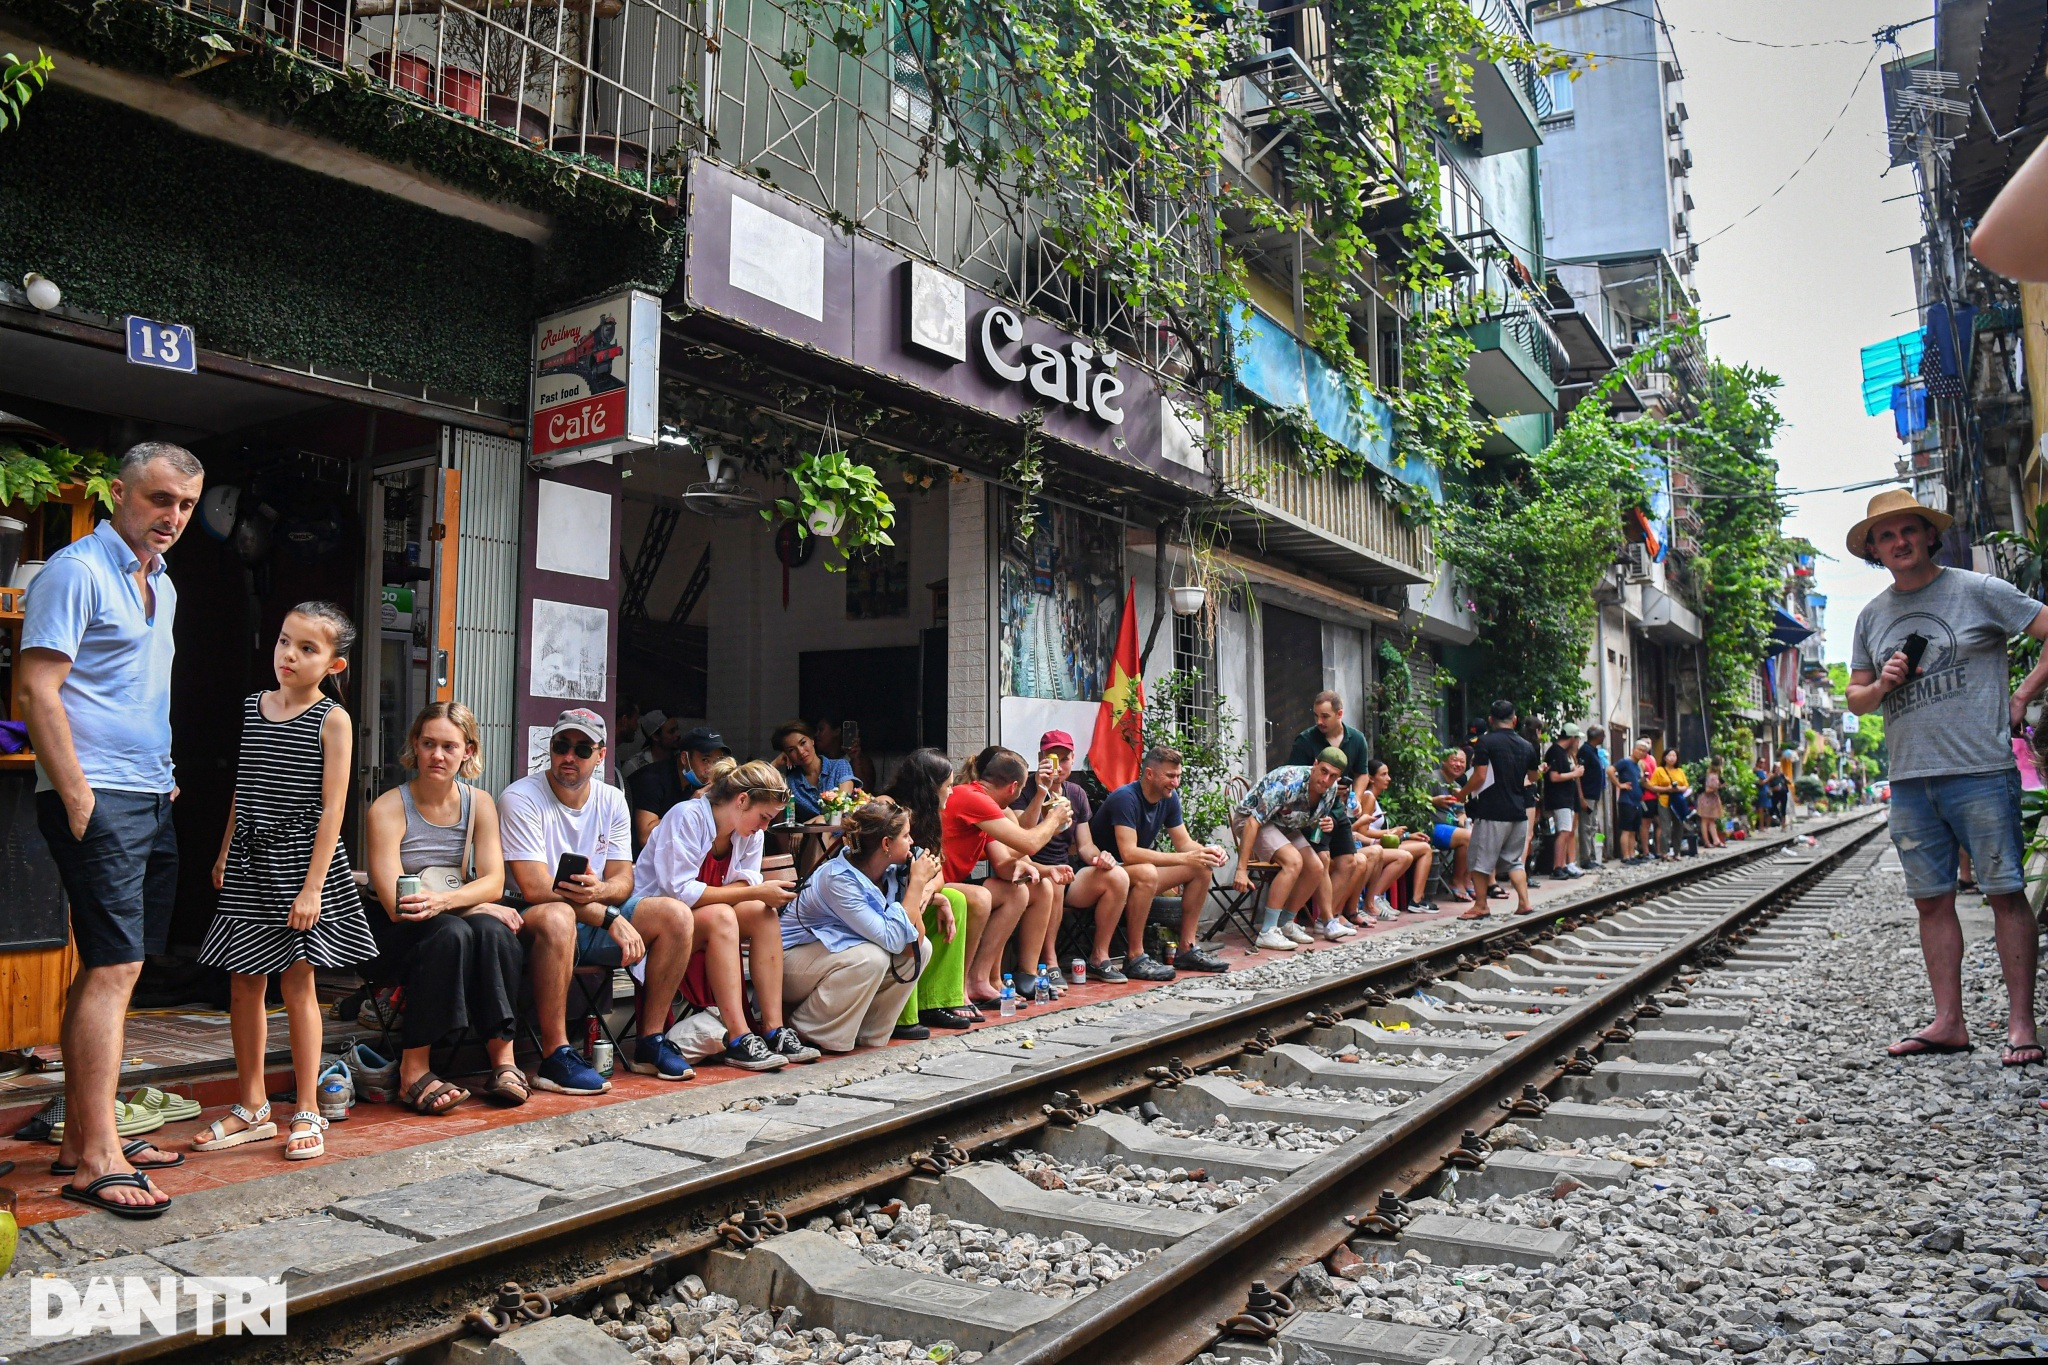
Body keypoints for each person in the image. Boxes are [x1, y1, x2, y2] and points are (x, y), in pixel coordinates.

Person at [22, 442, 204, 1218]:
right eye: (159, 498)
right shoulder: (77, 568)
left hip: (146, 794)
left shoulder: (160, 583)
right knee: (114, 968)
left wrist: (160, 774)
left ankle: (80, 1133)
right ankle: (98, 1156)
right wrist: (77, 795)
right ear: (119, 494)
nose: (172, 517)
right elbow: (34, 686)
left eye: (186, 506)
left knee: (112, 964)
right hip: (99, 798)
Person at [1844, 489, 2048, 1066]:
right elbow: (1856, 700)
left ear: (1930, 536)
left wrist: (2023, 694)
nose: (1899, 542)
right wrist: (1882, 685)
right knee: (1931, 903)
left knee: (2005, 893)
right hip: (1911, 779)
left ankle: (2021, 1027)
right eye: (1886, 536)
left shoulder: (1977, 590)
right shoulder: (1872, 615)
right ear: (1876, 551)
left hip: (1980, 770)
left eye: (1909, 531)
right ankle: (1948, 1022)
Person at [191, 603, 379, 1162]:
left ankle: (305, 1108)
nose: (289, 656)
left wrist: (313, 887)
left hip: (302, 863)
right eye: (283, 642)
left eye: (307, 649)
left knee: (299, 985)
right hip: (250, 858)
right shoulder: (254, 707)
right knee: (243, 982)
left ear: (335, 665)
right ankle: (252, 1107)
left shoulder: (332, 720)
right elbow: (244, 786)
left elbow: (333, 809)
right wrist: (225, 850)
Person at [502, 709, 702, 1091]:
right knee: (559, 914)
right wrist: (608, 915)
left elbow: (623, 879)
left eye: (582, 748)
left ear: (601, 754)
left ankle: (650, 1041)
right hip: (533, 920)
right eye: (561, 746)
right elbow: (534, 888)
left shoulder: (612, 798)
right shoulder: (520, 797)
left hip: (590, 915)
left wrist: (601, 893)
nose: (569, 757)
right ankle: (555, 1055)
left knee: (676, 915)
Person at [363, 703, 527, 1114]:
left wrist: (455, 904)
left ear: (468, 751)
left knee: (494, 932)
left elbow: (493, 880)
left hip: (449, 918)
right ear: (415, 747)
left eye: (449, 746)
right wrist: (468, 907)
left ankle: (502, 1062)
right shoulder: (387, 808)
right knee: (457, 931)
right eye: (429, 744)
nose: (438, 756)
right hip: (394, 932)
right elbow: (396, 904)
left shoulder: (480, 804)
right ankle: (413, 1071)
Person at [636, 760, 820, 1069]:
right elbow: (680, 892)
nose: (765, 827)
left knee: (762, 913)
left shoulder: (749, 831)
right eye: (763, 817)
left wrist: (753, 893)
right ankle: (738, 1037)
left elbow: (744, 882)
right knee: (723, 914)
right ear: (742, 799)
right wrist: (750, 891)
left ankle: (774, 1029)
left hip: (701, 918)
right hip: (660, 924)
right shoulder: (687, 817)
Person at [780, 798, 941, 1050]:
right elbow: (894, 940)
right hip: (788, 963)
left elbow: (912, 947)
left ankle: (868, 1033)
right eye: (907, 836)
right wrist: (917, 884)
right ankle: (808, 1029)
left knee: (923, 949)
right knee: (871, 957)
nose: (912, 843)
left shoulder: (887, 871)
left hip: (829, 956)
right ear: (886, 844)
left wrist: (921, 887)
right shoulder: (838, 880)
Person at [943, 747, 1071, 1004]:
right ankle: (964, 983)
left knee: (1019, 889)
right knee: (985, 894)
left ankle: (981, 980)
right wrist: (1054, 819)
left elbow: (1002, 863)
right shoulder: (972, 797)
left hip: (953, 884)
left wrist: (1029, 868)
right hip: (937, 884)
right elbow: (1029, 842)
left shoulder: (986, 804)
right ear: (1014, 788)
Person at [1008, 732, 1137, 982]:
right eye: (1052, 759)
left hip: (1067, 873)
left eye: (1065, 759)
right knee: (1053, 880)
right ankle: (1050, 962)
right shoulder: (1024, 791)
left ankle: (1100, 956)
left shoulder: (1076, 793)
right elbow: (1021, 837)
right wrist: (1042, 791)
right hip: (1033, 873)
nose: (1059, 766)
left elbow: (1086, 845)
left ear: (1073, 760)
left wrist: (1102, 858)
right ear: (1040, 758)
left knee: (1118, 876)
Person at [1093, 747, 1231, 974]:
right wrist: (1186, 856)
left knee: (1201, 867)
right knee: (1148, 871)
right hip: (1105, 873)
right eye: (1170, 776)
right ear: (1149, 774)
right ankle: (1135, 957)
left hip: (1134, 874)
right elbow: (1129, 853)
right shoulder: (1125, 798)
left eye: (1178, 776)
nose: (1175, 782)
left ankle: (1187, 948)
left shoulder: (1169, 798)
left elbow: (1184, 844)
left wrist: (1209, 852)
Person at [879, 748, 978, 1030]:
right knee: (910, 909)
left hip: (912, 886)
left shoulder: (930, 814)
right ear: (930, 788)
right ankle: (901, 1015)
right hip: (883, 891)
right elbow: (880, 868)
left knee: (955, 900)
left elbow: (938, 869)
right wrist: (917, 892)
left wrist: (926, 891)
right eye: (948, 786)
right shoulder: (888, 806)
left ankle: (935, 1002)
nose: (951, 792)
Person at [1230, 749, 1356, 950]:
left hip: (1284, 824)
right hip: (1250, 821)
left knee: (1315, 866)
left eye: (1333, 776)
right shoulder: (1288, 783)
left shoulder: (1331, 790)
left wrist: (1327, 823)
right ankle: (1268, 931)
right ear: (1315, 764)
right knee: (1294, 861)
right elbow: (1253, 822)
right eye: (1323, 771)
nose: (1325, 780)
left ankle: (1285, 923)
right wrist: (1241, 870)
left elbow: (1309, 821)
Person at [1452, 699, 1535, 918]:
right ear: (1515, 720)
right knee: (1515, 860)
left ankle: (1481, 906)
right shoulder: (1527, 746)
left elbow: (1479, 775)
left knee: (1480, 861)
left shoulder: (1485, 742)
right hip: (1519, 811)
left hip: (1492, 811)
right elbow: (1534, 776)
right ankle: (1524, 902)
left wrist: (1461, 794)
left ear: (1490, 720)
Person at [1355, 759, 1439, 916]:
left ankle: (1414, 900)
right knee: (1422, 849)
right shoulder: (1369, 797)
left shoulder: (1373, 797)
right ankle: (1377, 897)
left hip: (1381, 844)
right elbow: (1363, 831)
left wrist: (1406, 835)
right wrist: (1392, 831)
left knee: (1422, 845)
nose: (1388, 778)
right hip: (1370, 846)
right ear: (1371, 778)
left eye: (1388, 774)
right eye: (1384, 774)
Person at [628, 726, 728, 851]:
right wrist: (689, 807)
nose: (711, 769)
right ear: (684, 758)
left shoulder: (705, 783)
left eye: (717, 762)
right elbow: (645, 837)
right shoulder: (651, 779)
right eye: (705, 760)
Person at [773, 720, 856, 821]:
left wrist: (808, 825)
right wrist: (775, 764)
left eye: (803, 743)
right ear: (787, 755)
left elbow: (843, 806)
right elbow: (781, 823)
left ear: (812, 740)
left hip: (842, 834)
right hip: (810, 836)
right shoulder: (791, 783)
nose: (800, 752)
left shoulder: (839, 766)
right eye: (791, 750)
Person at [1427, 749, 1475, 901]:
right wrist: (1434, 801)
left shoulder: (1456, 786)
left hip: (1452, 828)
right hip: (1432, 827)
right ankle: (1456, 881)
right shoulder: (1432, 778)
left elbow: (1460, 813)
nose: (1458, 764)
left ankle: (1467, 880)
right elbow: (1414, 802)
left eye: (1462, 762)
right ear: (1444, 761)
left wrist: (1467, 823)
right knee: (1468, 836)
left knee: (1480, 833)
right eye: (1455, 760)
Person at [1541, 725, 1586, 880]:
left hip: (1565, 798)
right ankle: (1557, 867)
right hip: (1559, 798)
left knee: (1566, 831)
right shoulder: (1556, 752)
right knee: (1564, 831)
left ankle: (1563, 865)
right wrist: (1574, 773)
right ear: (1572, 738)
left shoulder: (1562, 753)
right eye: (1577, 738)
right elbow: (1554, 776)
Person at [1645, 748, 1690, 861]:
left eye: (1674, 756)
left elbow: (1686, 786)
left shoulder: (1680, 771)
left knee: (1678, 826)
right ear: (1665, 758)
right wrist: (1667, 788)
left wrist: (1678, 788)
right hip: (1664, 801)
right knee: (1666, 828)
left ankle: (1677, 852)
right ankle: (1664, 852)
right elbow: (1652, 786)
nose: (1672, 758)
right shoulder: (1659, 770)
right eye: (1669, 756)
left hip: (1677, 802)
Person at [816, 718, 878, 794]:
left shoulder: (859, 759)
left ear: (836, 731)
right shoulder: (818, 761)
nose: (816, 735)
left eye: (821, 730)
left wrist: (856, 760)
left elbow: (866, 792)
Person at [1612, 740, 1649, 863]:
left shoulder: (1638, 765)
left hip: (1637, 800)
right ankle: (1626, 856)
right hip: (1626, 800)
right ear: (1633, 749)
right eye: (1639, 749)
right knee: (1626, 829)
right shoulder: (1625, 762)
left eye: (1644, 751)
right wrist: (1619, 784)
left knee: (1634, 830)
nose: (1641, 752)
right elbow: (1610, 770)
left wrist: (1643, 780)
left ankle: (1632, 855)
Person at [1579, 726, 1609, 868]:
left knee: (1592, 826)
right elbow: (1580, 776)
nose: (1604, 738)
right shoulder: (1585, 751)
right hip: (1588, 794)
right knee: (1586, 826)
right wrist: (1582, 797)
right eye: (1603, 735)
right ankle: (1586, 859)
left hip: (1594, 794)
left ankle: (1592, 857)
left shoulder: (1594, 751)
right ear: (1597, 736)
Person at [619, 709, 675, 781]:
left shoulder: (681, 759)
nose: (678, 735)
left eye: (677, 729)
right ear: (655, 736)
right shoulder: (634, 765)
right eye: (671, 732)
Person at [1696, 757, 1727, 848]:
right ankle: (1707, 841)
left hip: (1709, 800)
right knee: (1705, 820)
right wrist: (1719, 787)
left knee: (1711, 820)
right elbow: (1708, 789)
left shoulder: (1711, 774)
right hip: (1707, 800)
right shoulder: (1712, 775)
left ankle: (1715, 840)